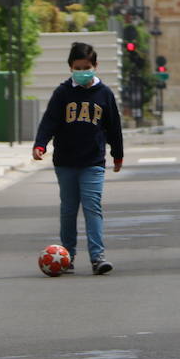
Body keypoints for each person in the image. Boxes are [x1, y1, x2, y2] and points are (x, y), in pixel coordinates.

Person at [33, 42, 124, 275]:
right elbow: (49, 121)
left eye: (86, 67)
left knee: (93, 207)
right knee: (68, 209)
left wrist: (117, 154)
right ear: (70, 68)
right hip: (65, 161)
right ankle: (67, 256)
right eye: (77, 67)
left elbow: (114, 127)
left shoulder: (104, 94)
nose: (82, 71)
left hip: (93, 161)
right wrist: (40, 144)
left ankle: (97, 257)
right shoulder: (63, 93)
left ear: (95, 66)